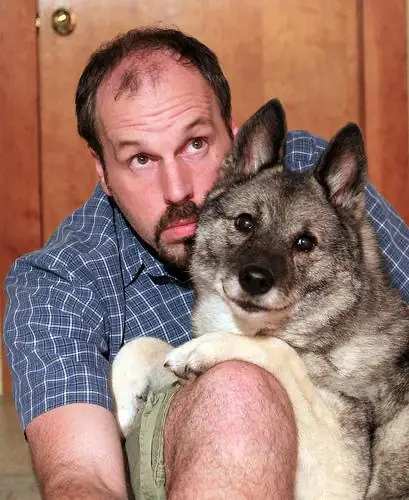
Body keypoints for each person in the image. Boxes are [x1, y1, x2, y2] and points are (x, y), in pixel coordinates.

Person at [4, 26, 409, 499]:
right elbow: (81, 475)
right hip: (206, 435)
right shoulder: (61, 279)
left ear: (236, 141)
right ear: (103, 173)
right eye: (140, 159)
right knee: (236, 390)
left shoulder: (305, 178)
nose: (177, 189)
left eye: (195, 144)